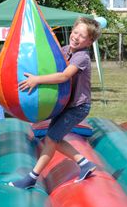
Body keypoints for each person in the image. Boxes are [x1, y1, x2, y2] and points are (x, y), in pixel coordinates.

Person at [9, 17, 101, 189]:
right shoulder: (65, 50)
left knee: (51, 139)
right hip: (66, 106)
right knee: (53, 139)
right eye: (75, 32)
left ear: (89, 41)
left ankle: (32, 177)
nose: (76, 37)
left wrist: (37, 80)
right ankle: (84, 163)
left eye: (82, 36)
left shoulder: (82, 57)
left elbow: (64, 76)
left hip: (78, 108)